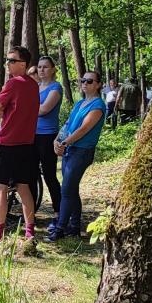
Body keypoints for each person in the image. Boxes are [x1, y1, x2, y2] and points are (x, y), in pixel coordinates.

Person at [0, 46, 39, 252]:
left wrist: (0, 102)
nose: (7, 63)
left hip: (7, 143)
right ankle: (30, 232)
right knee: (23, 186)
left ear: (23, 64)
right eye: (7, 60)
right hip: (26, 143)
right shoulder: (33, 85)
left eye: (12, 60)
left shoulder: (13, 84)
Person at [50, 72, 107, 241]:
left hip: (82, 152)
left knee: (66, 190)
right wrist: (57, 140)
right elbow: (68, 123)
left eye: (89, 81)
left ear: (98, 84)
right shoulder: (81, 103)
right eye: (82, 80)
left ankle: (60, 228)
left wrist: (64, 143)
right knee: (71, 189)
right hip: (71, 149)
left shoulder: (98, 106)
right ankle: (74, 226)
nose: (85, 83)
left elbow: (84, 129)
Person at [32, 56, 63, 216]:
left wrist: (27, 107)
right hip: (31, 135)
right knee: (30, 173)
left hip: (47, 136)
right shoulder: (35, 86)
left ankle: (58, 210)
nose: (42, 70)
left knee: (49, 174)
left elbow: (44, 109)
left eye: (45, 67)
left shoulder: (55, 88)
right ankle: (30, 211)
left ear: (52, 69)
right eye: (39, 67)